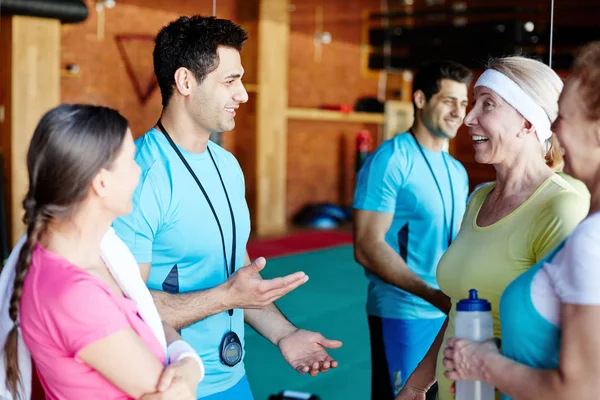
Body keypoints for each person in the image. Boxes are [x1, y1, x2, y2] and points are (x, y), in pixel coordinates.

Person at [112, 15, 342, 400]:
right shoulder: (140, 177)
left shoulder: (227, 166)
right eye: (230, 81)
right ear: (185, 82)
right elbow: (122, 309)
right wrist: (226, 297)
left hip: (233, 379)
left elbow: (238, 280)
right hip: (170, 386)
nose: (244, 95)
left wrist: (285, 334)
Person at [396, 56, 590, 400]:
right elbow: (462, 305)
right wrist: (418, 383)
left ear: (528, 123)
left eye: (487, 104)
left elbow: (573, 349)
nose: (468, 118)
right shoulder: (480, 197)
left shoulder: (561, 205)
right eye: (474, 103)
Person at [2, 104, 203, 399]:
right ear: (102, 182)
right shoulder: (73, 294)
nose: (139, 172)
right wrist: (188, 366)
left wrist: (188, 362)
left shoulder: (97, 255)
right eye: (132, 160)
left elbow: (149, 325)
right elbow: (174, 394)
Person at [353, 60, 472, 399]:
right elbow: (367, 246)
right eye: (449, 100)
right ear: (420, 100)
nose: (458, 112)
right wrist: (435, 295)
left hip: (447, 313)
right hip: (404, 312)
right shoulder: (391, 159)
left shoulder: (456, 170)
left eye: (464, 103)